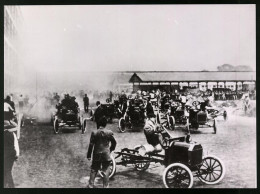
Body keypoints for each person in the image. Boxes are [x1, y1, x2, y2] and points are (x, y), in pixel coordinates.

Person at [87, 117, 117, 188]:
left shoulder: (94, 132)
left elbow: (91, 145)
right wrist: (110, 149)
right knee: (106, 169)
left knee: (94, 169)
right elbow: (114, 142)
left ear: (98, 124)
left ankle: (91, 185)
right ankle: (105, 186)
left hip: (96, 153)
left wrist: (89, 155)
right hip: (106, 154)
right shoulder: (109, 132)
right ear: (105, 124)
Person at [4, 118, 20, 188]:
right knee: (8, 169)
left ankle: (11, 186)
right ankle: (6, 184)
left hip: (5, 154)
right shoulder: (12, 134)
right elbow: (16, 145)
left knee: (6, 171)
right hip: (12, 154)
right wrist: (17, 154)